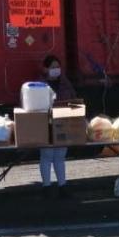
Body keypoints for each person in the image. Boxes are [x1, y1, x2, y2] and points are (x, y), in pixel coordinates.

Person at [40, 55, 78, 200]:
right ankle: (47, 186)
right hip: (46, 122)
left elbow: (74, 99)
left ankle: (62, 186)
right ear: (45, 68)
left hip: (63, 122)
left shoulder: (65, 83)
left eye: (57, 66)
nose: (56, 69)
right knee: (47, 156)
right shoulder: (39, 84)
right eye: (52, 67)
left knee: (60, 156)